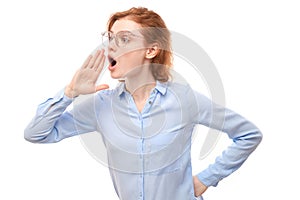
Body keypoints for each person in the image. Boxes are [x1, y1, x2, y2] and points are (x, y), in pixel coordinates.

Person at [24, 7, 262, 200]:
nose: (111, 46)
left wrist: (205, 180)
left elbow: (248, 134)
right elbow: (36, 134)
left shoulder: (184, 100)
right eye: (110, 38)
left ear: (151, 50)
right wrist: (69, 93)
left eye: (124, 39)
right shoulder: (101, 106)